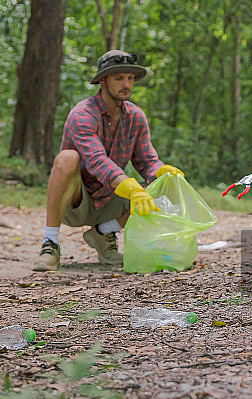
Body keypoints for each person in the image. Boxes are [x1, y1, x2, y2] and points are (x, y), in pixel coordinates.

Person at [32, 49, 185, 271]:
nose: (127, 84)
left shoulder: (136, 116)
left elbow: (147, 161)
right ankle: (50, 243)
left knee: (164, 184)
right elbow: (96, 161)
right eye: (119, 78)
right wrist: (129, 186)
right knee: (67, 158)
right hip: (76, 201)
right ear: (103, 81)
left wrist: (162, 171)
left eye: (130, 78)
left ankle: (103, 232)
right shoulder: (82, 114)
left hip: (111, 199)